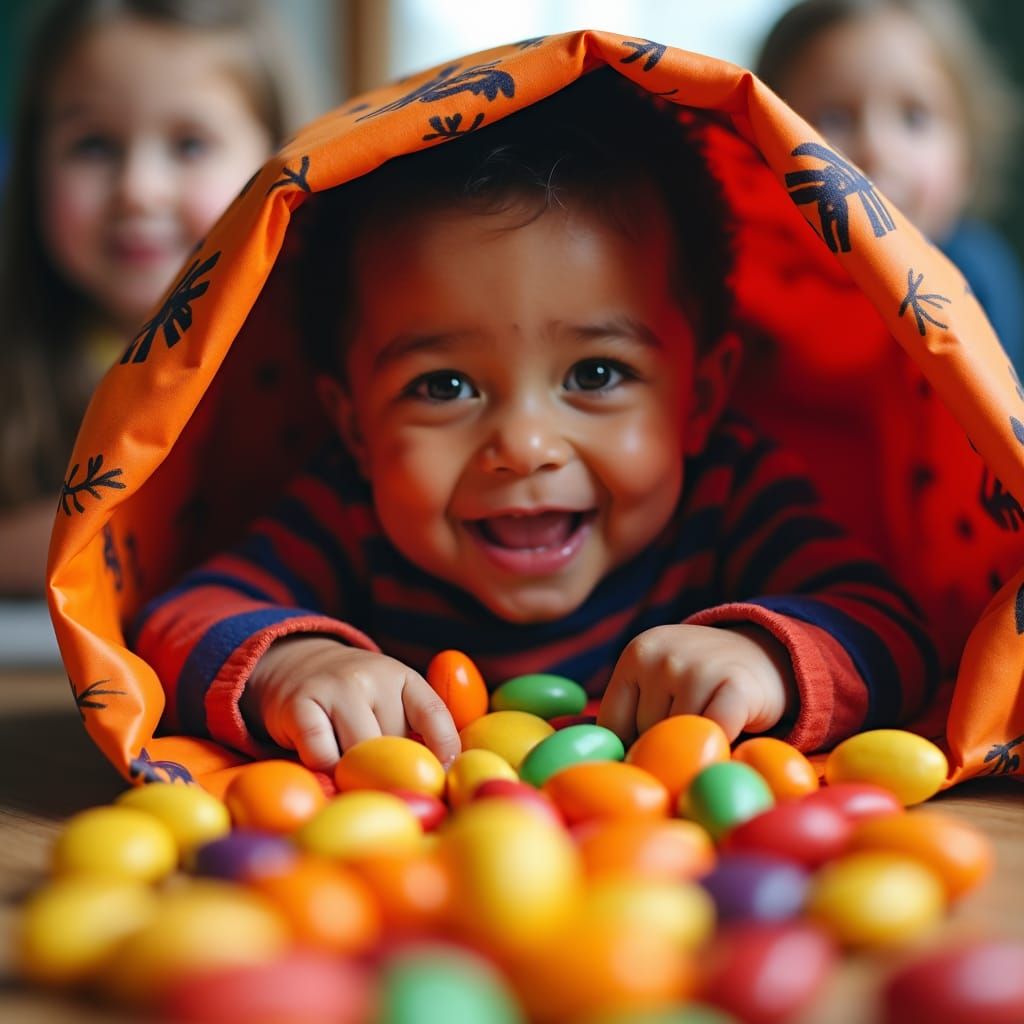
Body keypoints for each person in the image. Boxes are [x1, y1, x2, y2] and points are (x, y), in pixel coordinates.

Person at [131, 70, 938, 771]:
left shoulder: (728, 493)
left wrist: (767, 658)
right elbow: (176, 621)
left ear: (697, 397)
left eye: (596, 374)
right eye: (443, 385)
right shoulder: (351, 513)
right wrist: (293, 666)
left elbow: (894, 628)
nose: (523, 448)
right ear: (353, 425)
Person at [0, 0, 303, 596]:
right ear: (35, 163)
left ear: (277, 162)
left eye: (190, 145)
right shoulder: (16, 367)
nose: (139, 190)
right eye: (94, 146)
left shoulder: (317, 352)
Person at [756, 0, 1024, 369]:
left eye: (914, 117)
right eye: (833, 117)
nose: (876, 148)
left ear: (967, 162)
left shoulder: (979, 280)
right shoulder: (745, 282)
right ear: (761, 146)